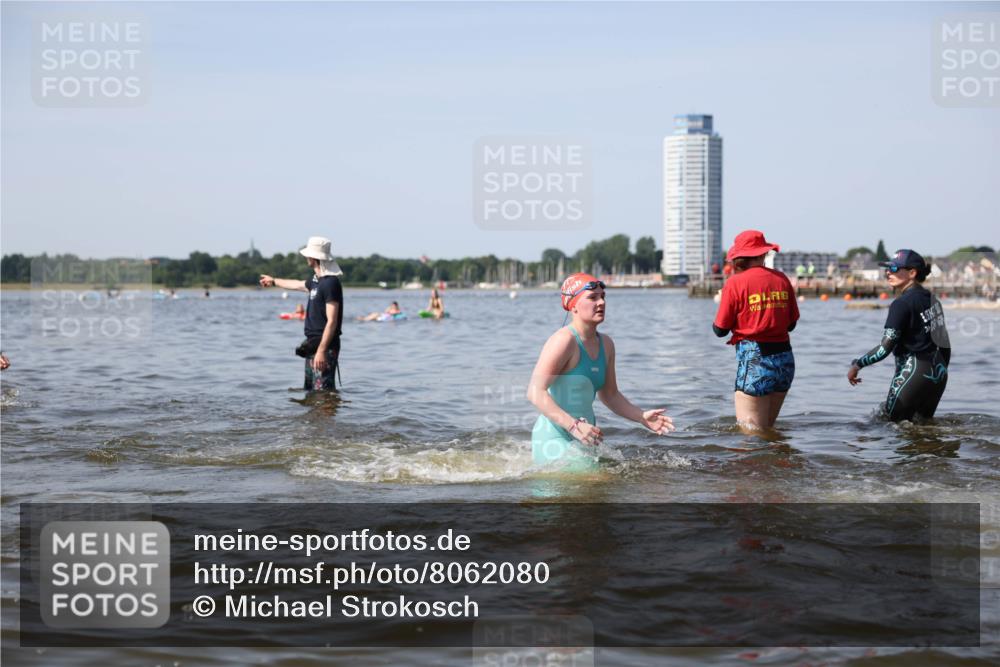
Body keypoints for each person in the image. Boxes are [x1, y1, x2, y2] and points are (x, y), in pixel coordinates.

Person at [527, 273, 674, 471]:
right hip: (554, 436)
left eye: (603, 296)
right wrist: (574, 426)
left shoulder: (606, 344)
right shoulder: (564, 341)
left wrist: (641, 417)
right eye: (593, 297)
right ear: (574, 305)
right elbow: (535, 392)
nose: (601, 302)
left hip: (585, 436)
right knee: (597, 479)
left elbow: (610, 395)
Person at [848, 249, 951, 421]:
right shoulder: (933, 299)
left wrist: (857, 365)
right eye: (887, 269)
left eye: (894, 269)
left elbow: (885, 348)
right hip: (938, 372)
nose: (888, 272)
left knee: (890, 425)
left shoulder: (901, 304)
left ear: (912, 273)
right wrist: (941, 371)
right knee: (924, 429)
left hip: (914, 371)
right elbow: (945, 344)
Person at [713, 230, 799, 431]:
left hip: (755, 360)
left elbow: (720, 330)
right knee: (767, 430)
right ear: (763, 254)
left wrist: (724, 301)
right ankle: (780, 461)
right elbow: (791, 325)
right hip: (785, 361)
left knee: (750, 436)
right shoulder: (781, 279)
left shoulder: (735, 283)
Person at [260, 236, 344, 391]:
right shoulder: (315, 281)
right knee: (310, 391)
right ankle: (312, 416)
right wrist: (274, 281)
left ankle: (327, 415)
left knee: (323, 393)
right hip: (312, 343)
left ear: (314, 257)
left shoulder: (330, 283)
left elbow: (332, 321)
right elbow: (297, 284)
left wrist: (322, 350)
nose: (306, 257)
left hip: (325, 346)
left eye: (308, 254)